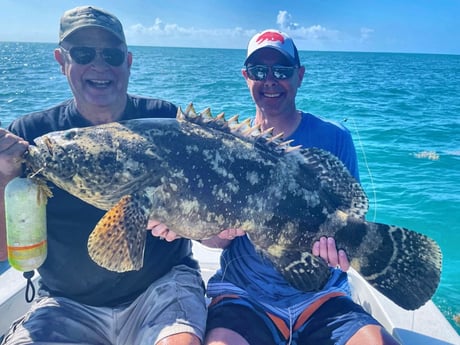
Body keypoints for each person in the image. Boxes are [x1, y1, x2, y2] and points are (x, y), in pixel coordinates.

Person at [0, 6, 206, 345]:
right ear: (61, 59)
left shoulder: (165, 120)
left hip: (162, 290)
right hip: (65, 305)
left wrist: (185, 221)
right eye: (83, 53)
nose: (99, 65)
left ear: (127, 61)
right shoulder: (32, 133)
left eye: (111, 54)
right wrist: (6, 178)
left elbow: (207, 211)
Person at [200, 30, 401, 345]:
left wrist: (342, 252)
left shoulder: (335, 137)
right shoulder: (226, 146)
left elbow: (351, 214)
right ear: (245, 76)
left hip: (323, 295)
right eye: (258, 71)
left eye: (281, 71)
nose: (270, 80)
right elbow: (212, 239)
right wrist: (219, 234)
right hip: (245, 294)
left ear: (299, 76)